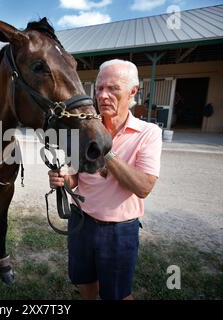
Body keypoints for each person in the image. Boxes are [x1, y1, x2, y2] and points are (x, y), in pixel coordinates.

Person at [48, 59, 162, 300]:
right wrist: (62, 180)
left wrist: (105, 149)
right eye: (99, 88)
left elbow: (143, 187)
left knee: (118, 295)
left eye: (113, 88)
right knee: (85, 283)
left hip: (118, 231)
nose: (103, 95)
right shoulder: (85, 129)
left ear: (133, 92)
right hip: (81, 224)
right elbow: (75, 179)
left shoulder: (148, 133)